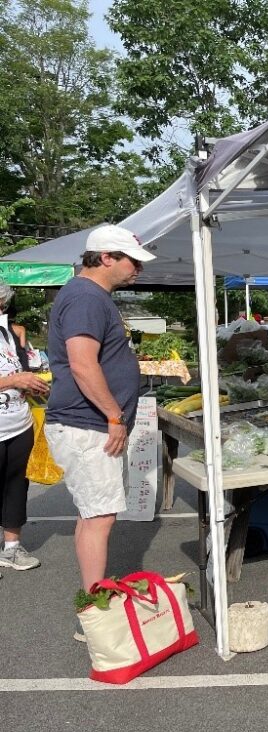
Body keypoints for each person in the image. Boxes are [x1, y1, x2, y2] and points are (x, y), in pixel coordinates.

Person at [44, 224, 155, 610]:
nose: (138, 269)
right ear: (106, 257)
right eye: (132, 260)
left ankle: (94, 600)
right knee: (100, 518)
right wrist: (113, 416)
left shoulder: (88, 295)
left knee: (93, 513)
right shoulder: (87, 297)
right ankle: (96, 609)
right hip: (86, 423)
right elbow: (82, 364)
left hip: (84, 422)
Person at [0, 281, 50, 575]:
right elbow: (11, 378)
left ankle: (11, 548)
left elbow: (21, 369)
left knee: (17, 485)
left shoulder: (10, 333)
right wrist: (13, 382)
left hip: (19, 423)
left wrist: (31, 384)